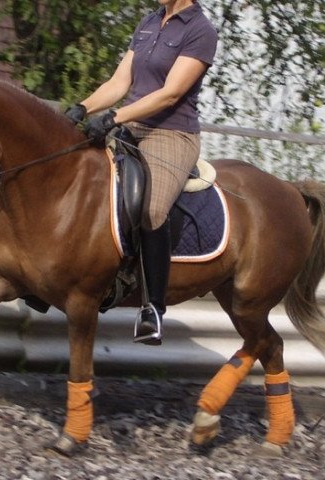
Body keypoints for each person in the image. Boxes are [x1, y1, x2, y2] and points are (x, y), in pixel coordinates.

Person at [66, 0, 218, 345]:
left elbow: (170, 93)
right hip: (130, 128)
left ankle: (152, 308)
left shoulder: (200, 31)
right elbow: (120, 82)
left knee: (152, 209)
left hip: (171, 134)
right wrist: (83, 107)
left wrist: (114, 117)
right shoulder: (149, 22)